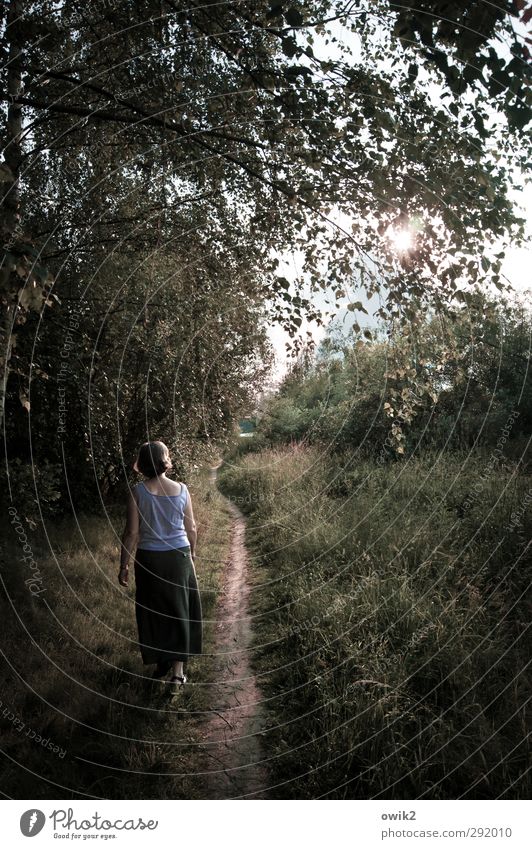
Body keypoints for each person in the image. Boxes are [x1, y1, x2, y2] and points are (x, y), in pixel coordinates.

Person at [118, 440, 202, 689]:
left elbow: (131, 534)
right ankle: (177, 673)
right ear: (165, 461)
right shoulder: (182, 490)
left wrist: (123, 565)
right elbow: (192, 528)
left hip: (149, 560)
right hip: (179, 557)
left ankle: (161, 660)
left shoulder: (138, 492)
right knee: (180, 611)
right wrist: (192, 555)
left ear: (142, 464)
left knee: (154, 612)